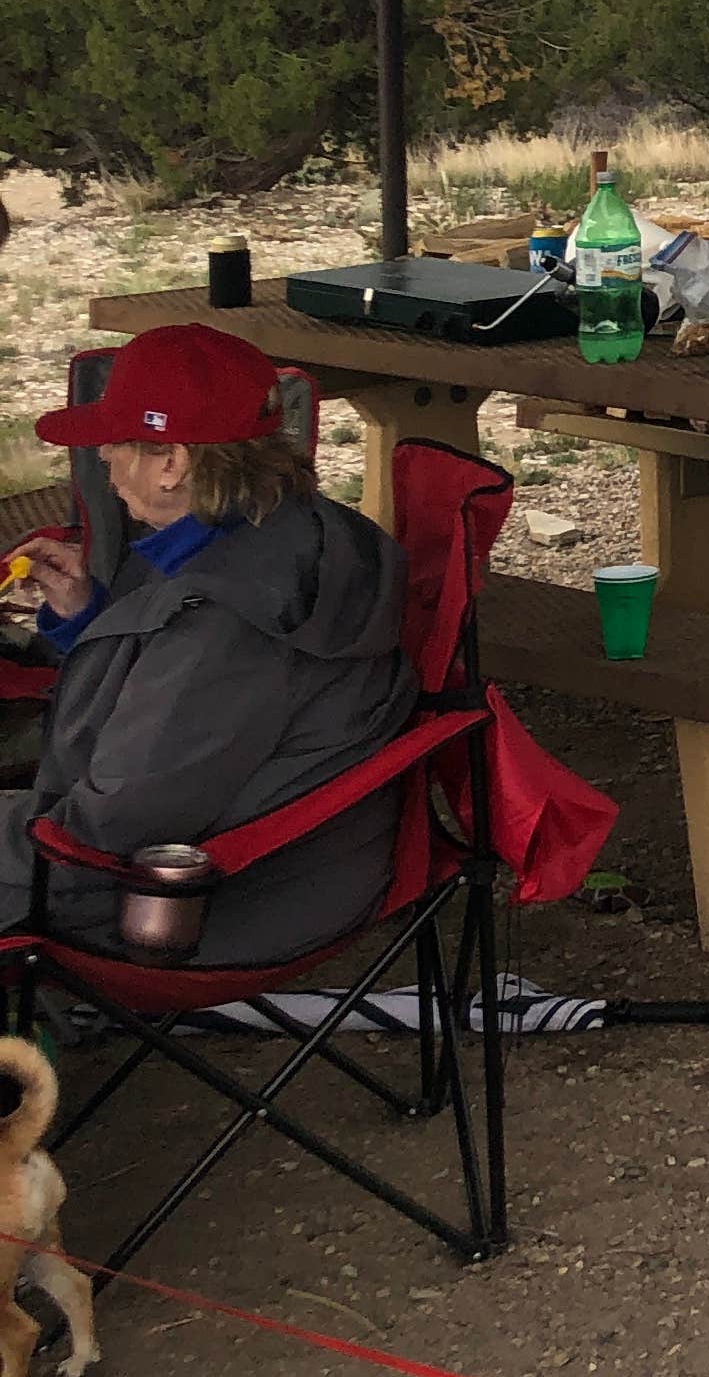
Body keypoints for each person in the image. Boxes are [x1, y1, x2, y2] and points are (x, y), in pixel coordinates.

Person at [0, 326, 413, 959]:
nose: (103, 455)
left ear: (173, 462)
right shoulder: (279, 530)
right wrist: (89, 617)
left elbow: (108, 828)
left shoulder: (229, 620)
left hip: (201, 901)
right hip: (293, 863)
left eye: (116, 441)